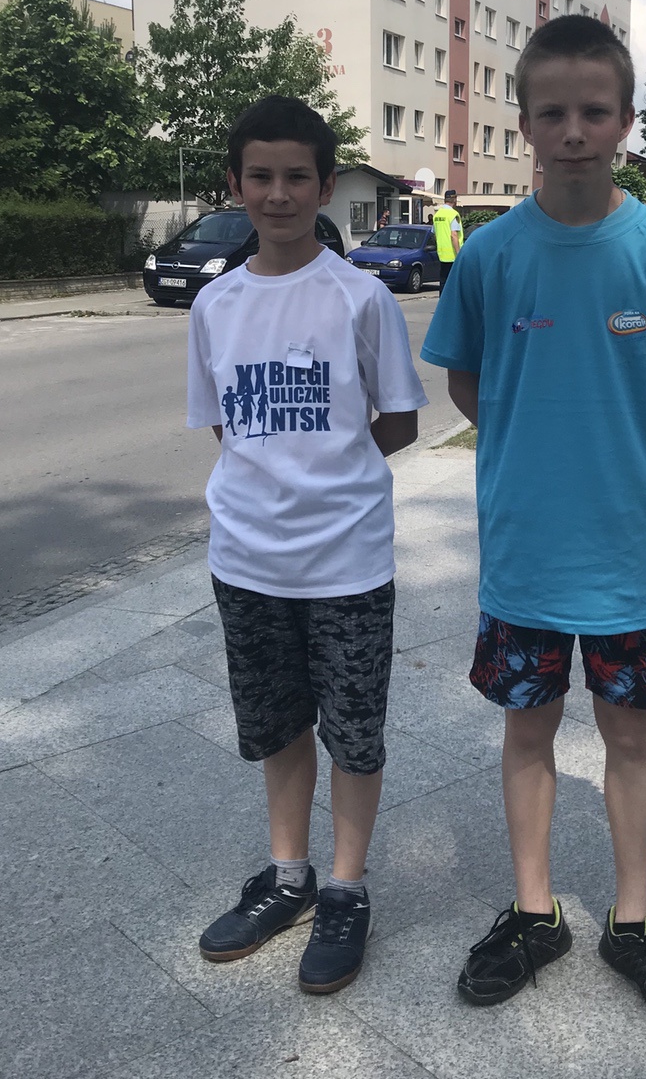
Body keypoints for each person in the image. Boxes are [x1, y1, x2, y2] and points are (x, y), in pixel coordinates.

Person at [421, 16, 646, 1023]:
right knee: (528, 730)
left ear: (625, 121)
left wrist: (617, 452)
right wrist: (537, 447)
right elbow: (468, 382)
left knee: (630, 736)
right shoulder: (490, 254)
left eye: (594, 111)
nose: (572, 131)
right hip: (525, 548)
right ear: (523, 122)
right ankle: (534, 908)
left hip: (629, 550)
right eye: (551, 112)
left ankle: (632, 919)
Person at [187, 95, 427, 994]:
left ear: (326, 186)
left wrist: (328, 475)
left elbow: (397, 420)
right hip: (246, 560)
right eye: (261, 177)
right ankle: (288, 877)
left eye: (297, 177)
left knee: (354, 733)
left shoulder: (361, 298)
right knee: (276, 726)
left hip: (347, 560)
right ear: (236, 183)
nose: (278, 194)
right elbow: (227, 428)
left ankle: (346, 888)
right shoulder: (214, 304)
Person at [432, 188, 463, 293]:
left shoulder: (437, 215)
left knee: (443, 282)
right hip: (453, 255)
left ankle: (442, 301)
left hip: (441, 254)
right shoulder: (453, 214)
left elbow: (435, 234)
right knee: (454, 283)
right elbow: (454, 235)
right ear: (454, 199)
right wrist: (459, 254)